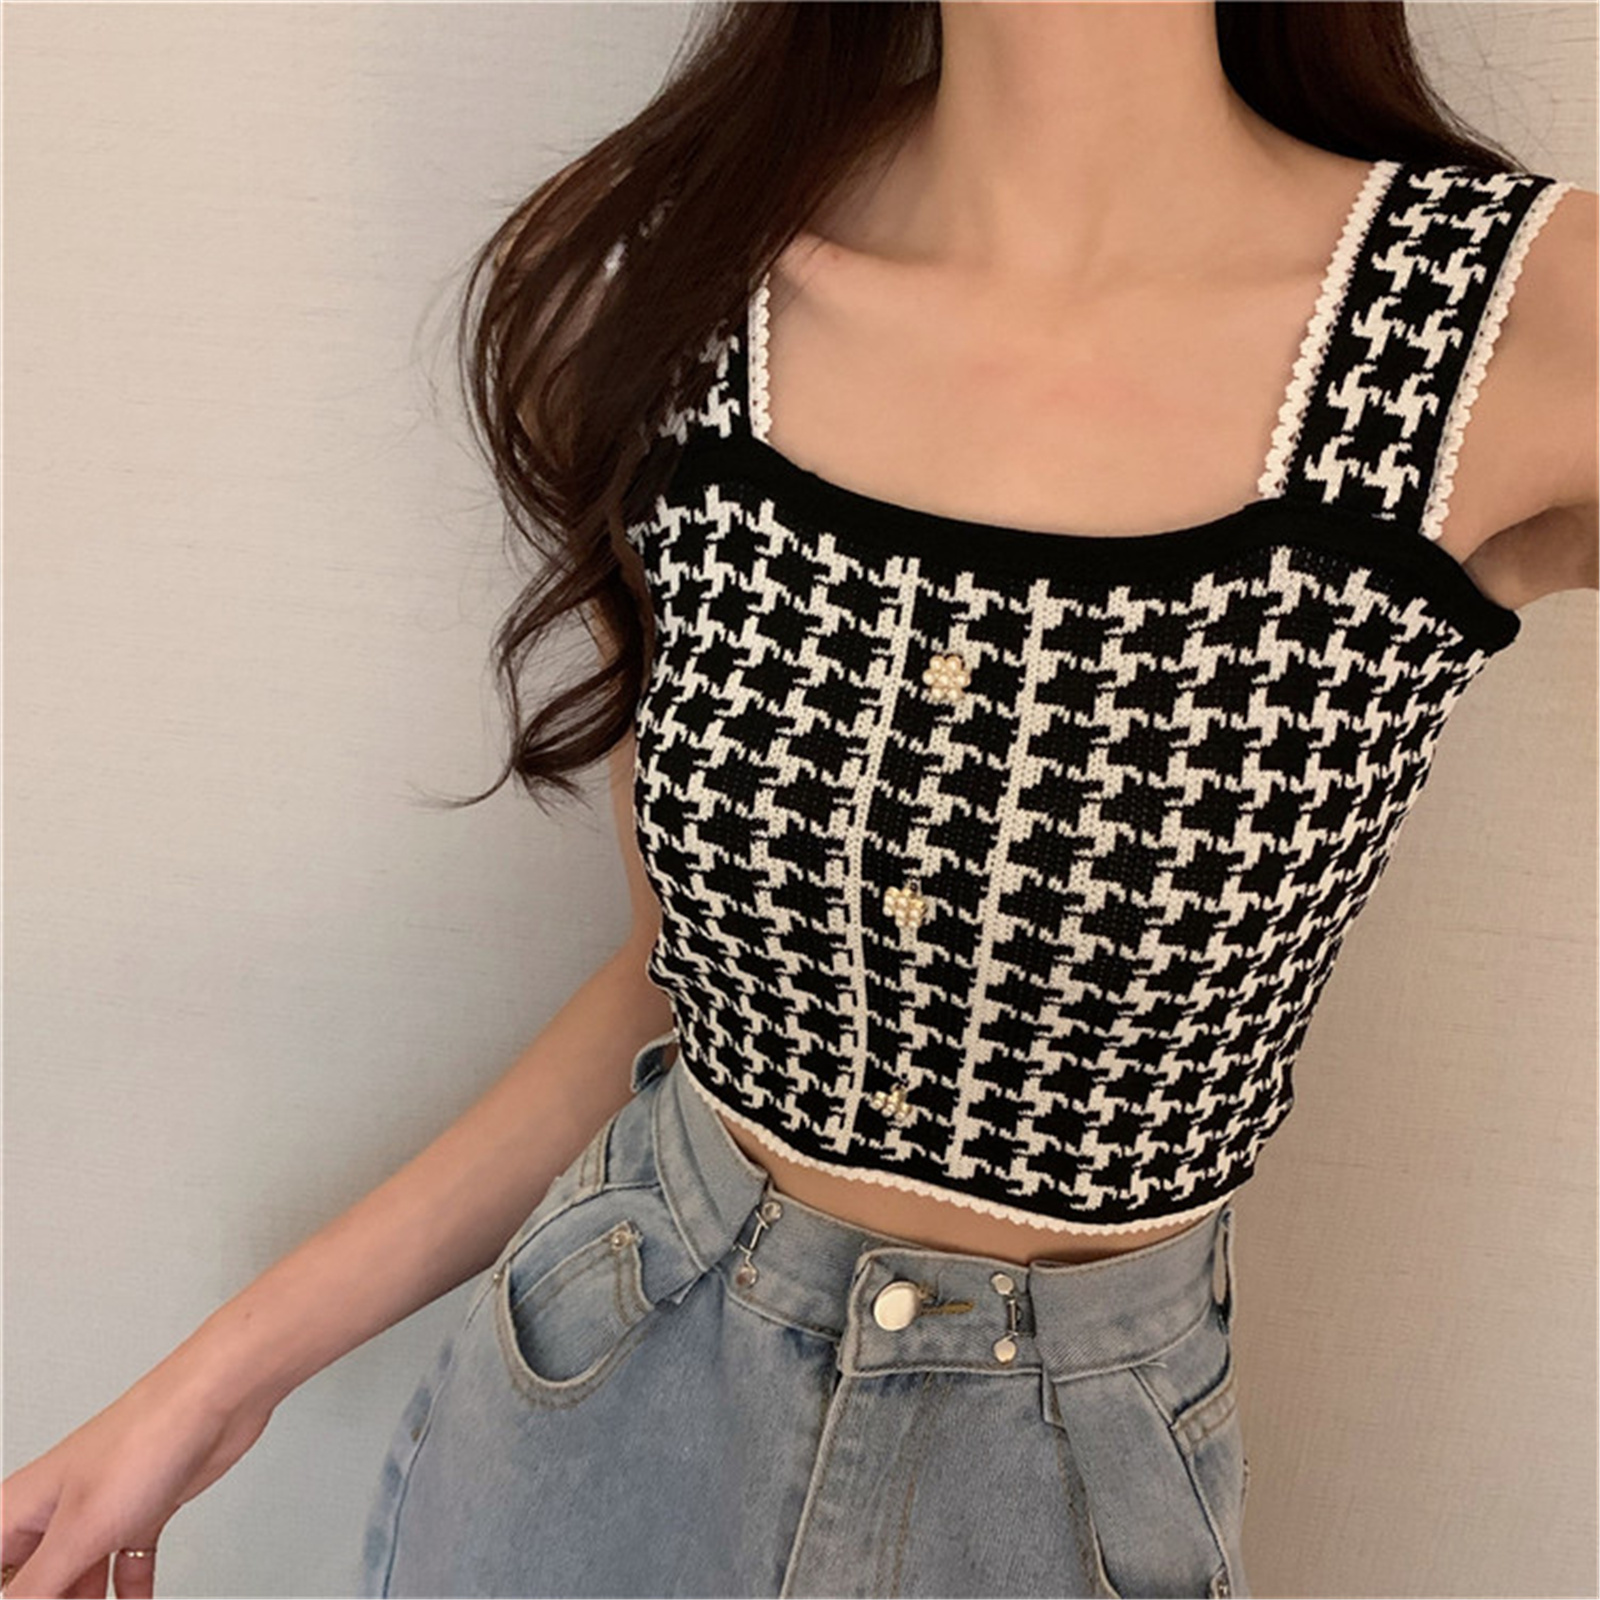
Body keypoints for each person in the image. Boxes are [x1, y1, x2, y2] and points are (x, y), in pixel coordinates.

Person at [3, 4, 1594, 1597]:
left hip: (1050, 1507)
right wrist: (205, 1393)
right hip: (591, 1432)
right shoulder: (679, 277)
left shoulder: (1517, 332)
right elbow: (673, 983)